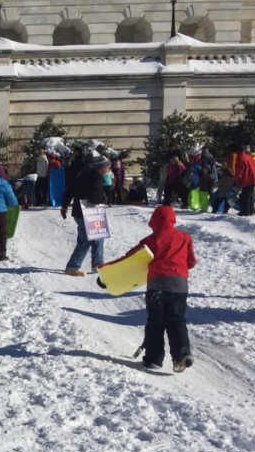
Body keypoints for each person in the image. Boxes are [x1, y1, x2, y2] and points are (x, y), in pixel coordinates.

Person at [102, 205, 197, 372]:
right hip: (179, 286)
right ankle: (182, 354)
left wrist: (107, 276)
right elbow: (191, 263)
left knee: (156, 322)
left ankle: (153, 359)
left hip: (157, 286)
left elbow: (129, 260)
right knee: (177, 320)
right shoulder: (185, 238)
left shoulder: (150, 241)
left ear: (154, 221)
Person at [61, 155, 111, 275]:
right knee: (85, 240)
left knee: (98, 237)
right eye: (108, 167)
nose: (109, 170)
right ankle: (72, 267)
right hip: (89, 213)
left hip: (79, 212)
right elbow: (95, 199)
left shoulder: (81, 174)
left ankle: (98, 264)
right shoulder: (96, 178)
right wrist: (104, 199)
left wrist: (64, 206)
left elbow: (70, 190)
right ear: (102, 168)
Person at [233, 144, 255, 216]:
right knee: (250, 195)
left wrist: (236, 179)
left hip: (247, 179)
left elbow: (239, 171)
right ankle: (251, 210)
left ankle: (245, 211)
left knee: (246, 196)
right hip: (253, 178)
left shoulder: (240, 158)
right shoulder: (248, 157)